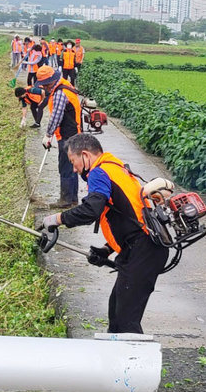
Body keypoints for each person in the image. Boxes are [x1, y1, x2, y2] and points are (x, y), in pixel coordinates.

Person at [39, 133, 169, 334]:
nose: (74, 169)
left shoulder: (99, 172)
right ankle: (116, 362)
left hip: (144, 251)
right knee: (116, 314)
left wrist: (56, 219)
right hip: (140, 248)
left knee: (126, 321)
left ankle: (135, 363)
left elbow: (91, 209)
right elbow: (129, 216)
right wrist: (107, 250)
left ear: (85, 155)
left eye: (74, 162)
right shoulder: (115, 168)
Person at [36, 65, 81, 207]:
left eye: (43, 84)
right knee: (73, 166)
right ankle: (73, 199)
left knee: (66, 167)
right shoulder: (64, 86)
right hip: (73, 133)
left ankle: (65, 200)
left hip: (68, 136)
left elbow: (56, 116)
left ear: (49, 82)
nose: (43, 87)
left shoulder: (60, 93)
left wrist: (48, 135)